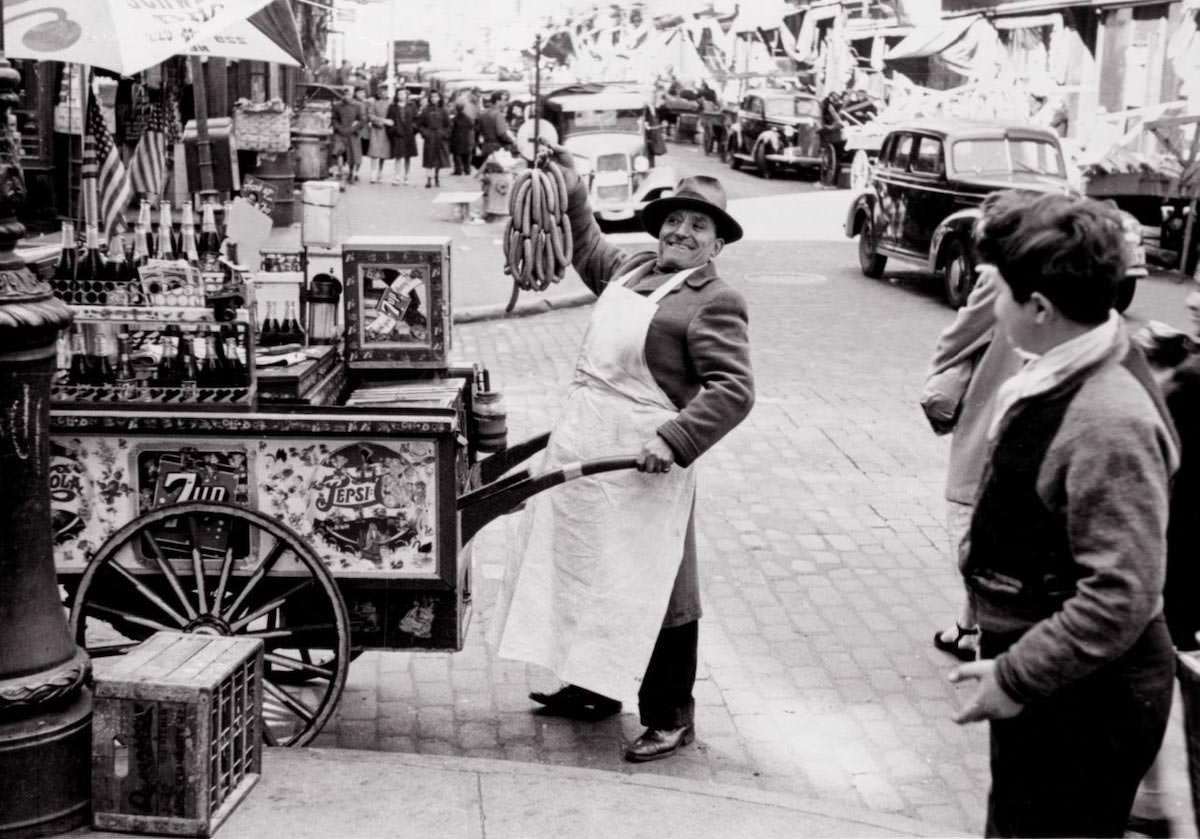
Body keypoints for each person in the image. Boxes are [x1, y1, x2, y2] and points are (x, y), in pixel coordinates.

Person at [488, 151, 755, 764]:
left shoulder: (715, 300)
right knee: (584, 566)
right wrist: (573, 189)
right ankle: (592, 688)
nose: (681, 233)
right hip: (587, 441)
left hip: (645, 462)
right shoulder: (633, 268)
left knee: (657, 589)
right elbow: (586, 246)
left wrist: (674, 440)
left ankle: (670, 717)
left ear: (716, 245)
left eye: (698, 227)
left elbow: (734, 390)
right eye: (674, 221)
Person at [949, 191, 1179, 838]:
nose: (989, 303)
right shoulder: (1073, 361)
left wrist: (1014, 676)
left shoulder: (1108, 421)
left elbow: (1120, 595)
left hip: (1085, 701)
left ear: (1041, 309)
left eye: (995, 291)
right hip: (1060, 682)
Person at [922, 198, 1024, 663]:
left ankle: (987, 635)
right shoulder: (1059, 280)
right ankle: (968, 627)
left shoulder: (999, 280)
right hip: (1025, 424)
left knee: (971, 531)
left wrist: (941, 373)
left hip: (993, 418)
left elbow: (954, 341)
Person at [330, 86, 364, 185]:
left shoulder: (357, 105)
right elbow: (334, 119)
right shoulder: (337, 106)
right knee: (339, 152)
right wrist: (339, 128)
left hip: (353, 133)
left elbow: (362, 120)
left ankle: (351, 173)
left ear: (352, 94)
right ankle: (340, 172)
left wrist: (354, 128)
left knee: (352, 155)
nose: (347, 96)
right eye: (345, 94)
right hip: (340, 133)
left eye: (349, 94)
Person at [418, 90, 451, 189]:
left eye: (436, 97)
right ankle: (428, 179)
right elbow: (420, 125)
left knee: (438, 158)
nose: (434, 99)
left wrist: (444, 133)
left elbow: (448, 125)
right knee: (429, 158)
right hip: (430, 137)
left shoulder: (443, 110)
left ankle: (436, 177)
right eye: (432, 97)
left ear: (439, 98)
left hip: (440, 137)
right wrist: (425, 133)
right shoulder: (426, 110)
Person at [386, 89, 419, 186]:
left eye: (403, 94)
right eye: (399, 94)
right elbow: (389, 121)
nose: (401, 95)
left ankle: (406, 176)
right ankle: (397, 177)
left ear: (406, 95)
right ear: (397, 95)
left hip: (409, 134)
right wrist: (394, 130)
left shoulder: (412, 106)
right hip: (398, 134)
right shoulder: (392, 107)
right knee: (398, 156)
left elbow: (416, 119)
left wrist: (413, 128)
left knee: (408, 156)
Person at [476, 92, 516, 163]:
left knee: (487, 171)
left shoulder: (482, 113)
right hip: (497, 149)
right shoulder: (498, 115)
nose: (506, 103)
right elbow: (501, 134)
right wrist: (513, 142)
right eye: (504, 100)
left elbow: (477, 131)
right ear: (497, 101)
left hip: (485, 147)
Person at [365, 91, 392, 184]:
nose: (383, 93)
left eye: (385, 91)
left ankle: (380, 172)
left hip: (386, 131)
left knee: (383, 153)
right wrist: (382, 121)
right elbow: (370, 115)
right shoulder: (373, 103)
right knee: (374, 152)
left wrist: (388, 122)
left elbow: (392, 117)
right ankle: (373, 173)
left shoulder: (390, 103)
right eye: (381, 92)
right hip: (376, 129)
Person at [449, 102, 476, 176]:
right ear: (464, 109)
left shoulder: (454, 119)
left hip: (457, 140)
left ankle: (458, 170)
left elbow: (451, 130)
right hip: (467, 139)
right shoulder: (469, 118)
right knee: (467, 156)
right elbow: (472, 127)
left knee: (457, 156)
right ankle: (467, 170)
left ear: (456, 109)